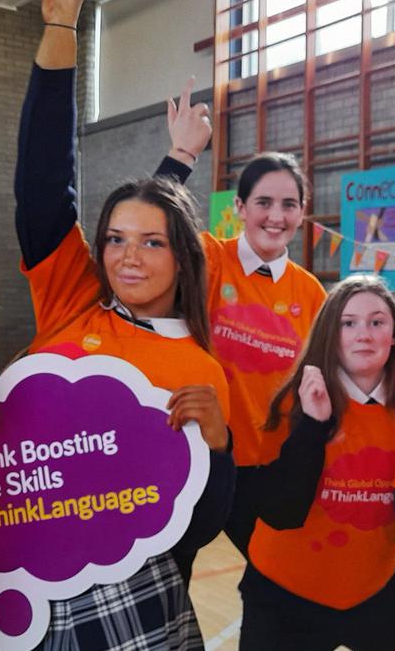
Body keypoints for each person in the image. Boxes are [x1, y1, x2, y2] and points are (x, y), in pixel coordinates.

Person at [17, 0, 234, 647]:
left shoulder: (197, 367)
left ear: (183, 258)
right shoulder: (72, 300)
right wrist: (61, 31)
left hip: (139, 605)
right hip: (29, 585)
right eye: (114, 240)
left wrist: (221, 448)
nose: (127, 256)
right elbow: (44, 185)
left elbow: (194, 534)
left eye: (150, 244)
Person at [161, 84, 328, 556]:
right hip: (196, 456)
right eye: (263, 203)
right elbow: (154, 224)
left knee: (275, 591)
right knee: (174, 579)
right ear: (239, 209)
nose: (276, 216)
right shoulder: (210, 259)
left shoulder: (311, 293)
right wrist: (180, 154)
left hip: (267, 472)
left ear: (302, 212)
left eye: (289, 205)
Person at [239, 275, 395, 651]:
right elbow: (281, 512)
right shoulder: (294, 402)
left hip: (373, 590)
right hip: (284, 594)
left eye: (377, 322)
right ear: (330, 335)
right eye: (348, 323)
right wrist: (314, 427)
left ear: (394, 335)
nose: (363, 334)